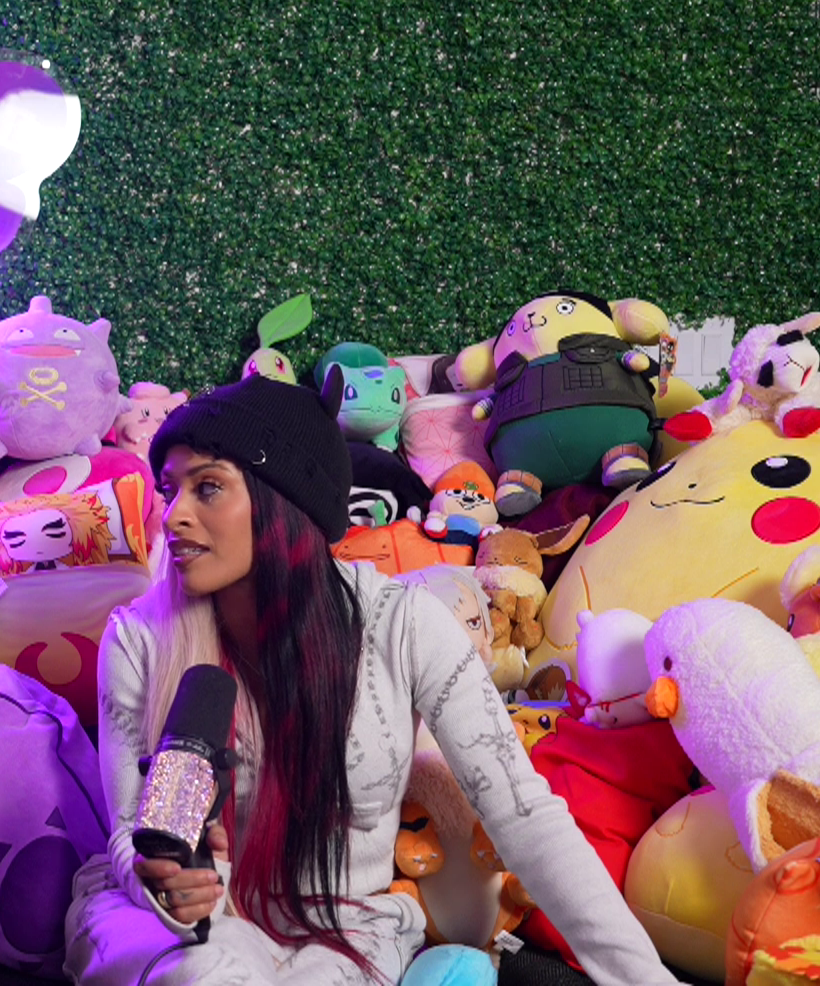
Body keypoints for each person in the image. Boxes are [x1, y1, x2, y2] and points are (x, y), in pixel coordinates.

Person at [63, 376, 679, 985]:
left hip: (344, 930)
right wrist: (173, 883)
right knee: (205, 975)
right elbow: (129, 830)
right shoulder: (139, 639)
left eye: (208, 487)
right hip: (177, 931)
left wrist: (644, 980)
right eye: (170, 490)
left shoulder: (403, 625)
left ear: (284, 500)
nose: (174, 516)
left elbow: (524, 814)